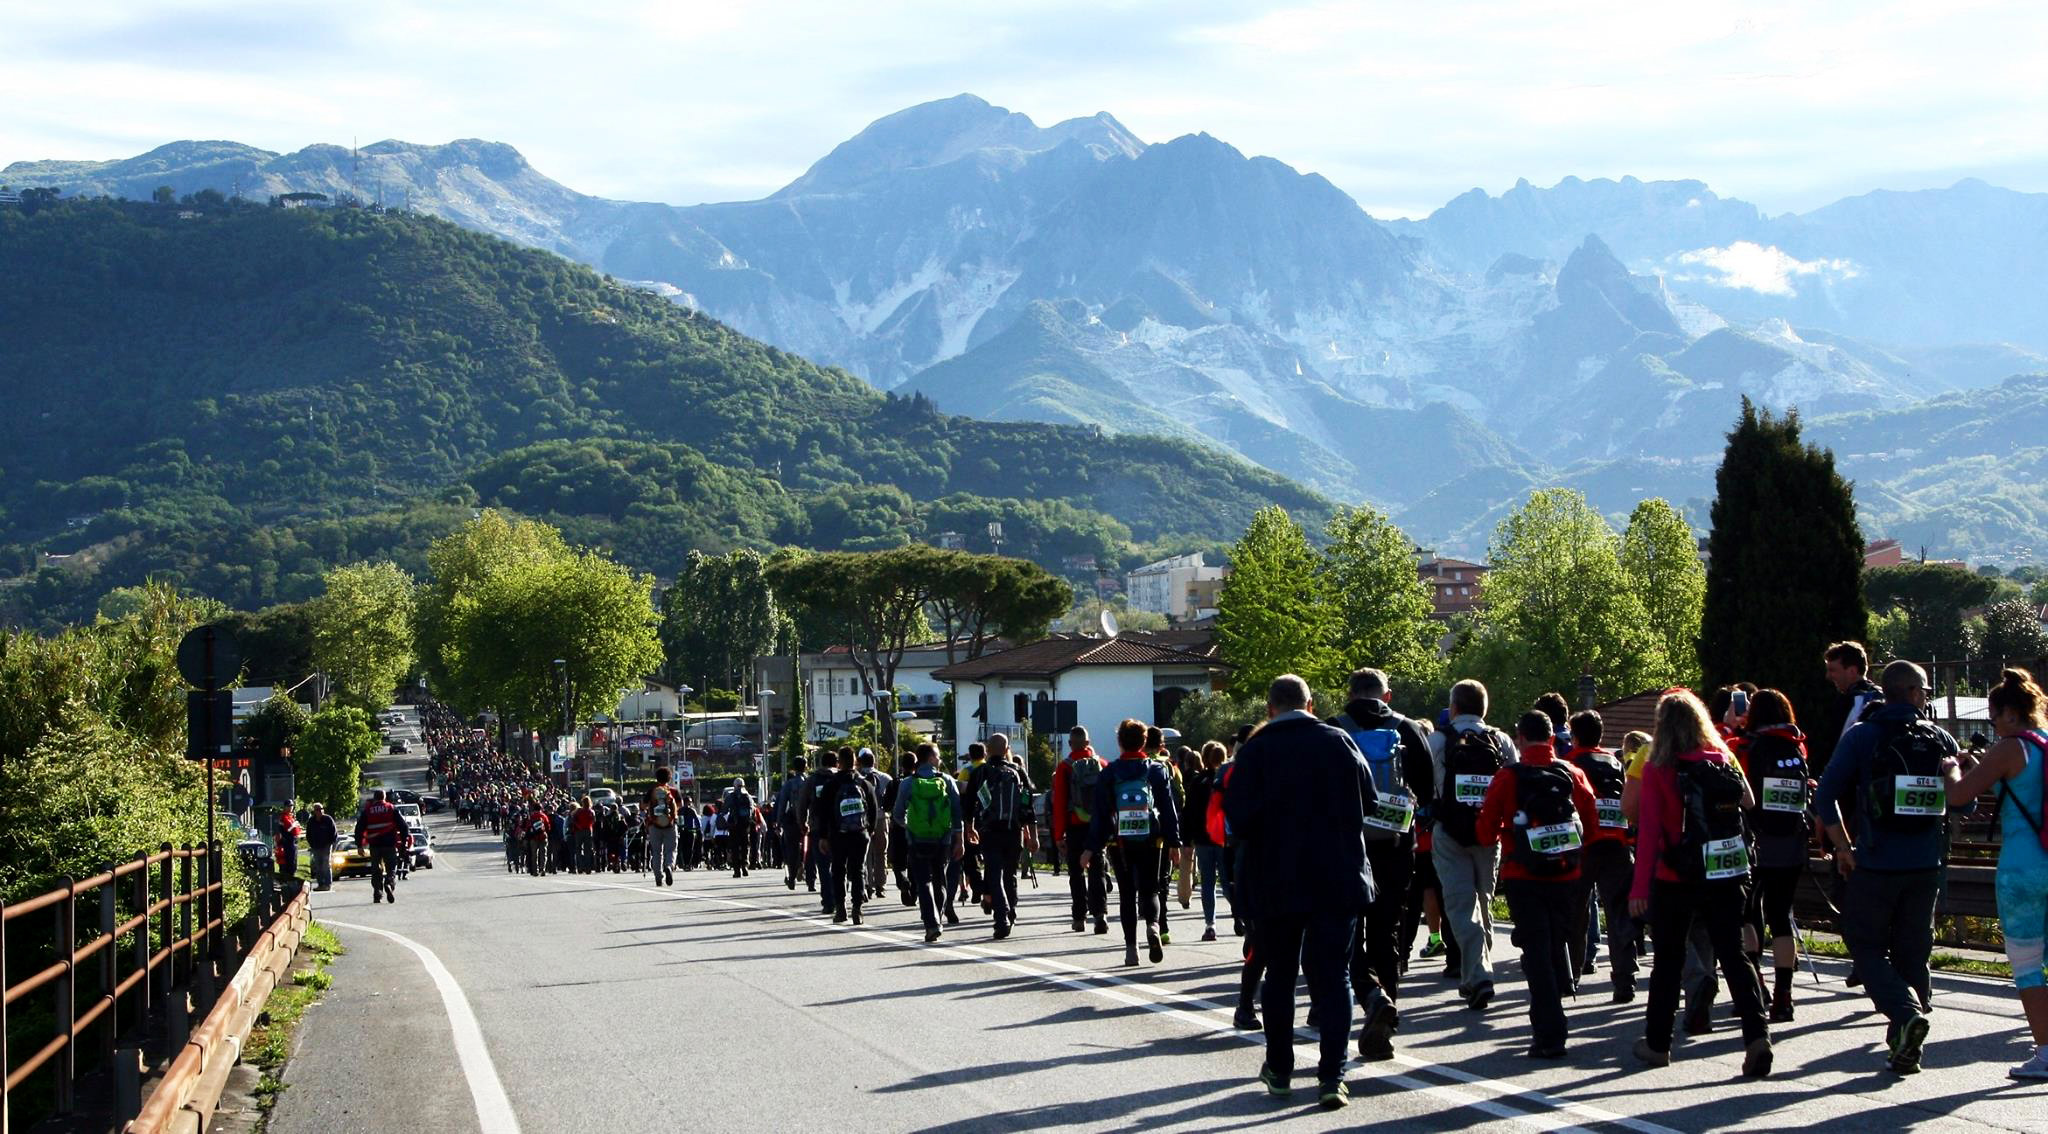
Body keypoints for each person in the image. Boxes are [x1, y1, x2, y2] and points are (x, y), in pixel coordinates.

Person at [1223, 675, 1375, 1110]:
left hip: (1276, 878)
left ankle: (1280, 1069)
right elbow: (1368, 799)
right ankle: (1332, 1076)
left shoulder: (1254, 750)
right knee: (1334, 976)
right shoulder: (1339, 741)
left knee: (1281, 976)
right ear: (1310, 704)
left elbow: (1239, 820)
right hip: (1337, 875)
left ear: (1270, 708)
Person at [1817, 659, 1963, 1075]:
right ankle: (1907, 1042)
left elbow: (1824, 796)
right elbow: (1964, 803)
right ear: (1915, 693)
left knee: (1863, 944)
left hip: (1877, 861)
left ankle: (1904, 1015)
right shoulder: (1941, 740)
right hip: (1927, 862)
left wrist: (1844, 848)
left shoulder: (1863, 736)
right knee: (1913, 949)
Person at [1630, 690, 1773, 1078]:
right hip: (1725, 873)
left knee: (1669, 962)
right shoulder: (1722, 757)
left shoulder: (1660, 767)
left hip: (1676, 874)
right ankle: (1757, 1037)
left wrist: (1639, 889)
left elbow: (1649, 833)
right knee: (1734, 955)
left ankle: (1658, 1043)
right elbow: (1748, 802)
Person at [1476, 711, 1600, 1059]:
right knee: (1556, 941)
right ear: (1551, 738)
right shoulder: (1572, 773)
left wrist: (1506, 834)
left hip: (1523, 876)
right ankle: (1562, 990)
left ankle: (1549, 1033)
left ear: (1519, 737)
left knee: (1536, 953)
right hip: (1566, 876)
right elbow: (1589, 826)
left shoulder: (1507, 777)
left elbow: (1485, 831)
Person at [1328, 666, 1435, 1060]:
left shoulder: (1334, 730)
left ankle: (1371, 996)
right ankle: (1386, 1015)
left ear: (1349, 694)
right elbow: (1427, 792)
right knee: (1387, 930)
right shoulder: (1409, 729)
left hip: (1347, 847)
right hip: (1394, 846)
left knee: (1348, 932)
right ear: (1386, 696)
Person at [1946, 668, 2048, 1080]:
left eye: (1992, 716)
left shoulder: (2008, 748)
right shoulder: (2043, 744)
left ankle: (2044, 1054)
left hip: (2022, 868)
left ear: (2008, 714)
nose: (1991, 724)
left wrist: (1952, 767)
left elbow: (1958, 796)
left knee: (2027, 964)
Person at [1430, 678, 1518, 1011]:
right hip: (1489, 831)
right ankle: (1477, 972)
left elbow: (1424, 784)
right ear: (1485, 708)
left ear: (1452, 708)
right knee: (1483, 902)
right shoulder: (1502, 740)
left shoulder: (1438, 740)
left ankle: (1480, 976)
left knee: (1461, 907)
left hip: (1449, 830)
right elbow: (1514, 780)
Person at [1084, 719, 1183, 968]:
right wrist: (1174, 842)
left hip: (1121, 843)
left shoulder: (1109, 773)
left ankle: (1131, 951)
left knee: (1127, 894)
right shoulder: (1156, 770)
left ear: (1120, 742)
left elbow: (1101, 813)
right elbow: (1168, 809)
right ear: (1144, 741)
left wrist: (1091, 847)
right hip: (1153, 840)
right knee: (1150, 889)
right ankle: (1152, 925)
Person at [1743, 690, 1812, 1021]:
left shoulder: (1750, 747)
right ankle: (1784, 996)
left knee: (1747, 914)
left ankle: (1756, 984)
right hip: (1793, 842)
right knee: (1781, 915)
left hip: (1758, 843)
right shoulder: (1796, 746)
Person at [1564, 710, 1637, 1001]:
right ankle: (1625, 979)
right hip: (1617, 844)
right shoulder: (1615, 763)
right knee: (1619, 911)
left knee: (1576, 912)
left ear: (1575, 735)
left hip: (1584, 846)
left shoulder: (1569, 763)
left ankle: (1573, 974)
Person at [895, 743, 966, 942]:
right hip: (943, 839)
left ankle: (931, 923)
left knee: (923, 881)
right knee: (939, 880)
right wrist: (959, 839)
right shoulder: (948, 780)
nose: (940, 759)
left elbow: (897, 814)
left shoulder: (908, 783)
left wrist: (911, 827)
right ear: (932, 758)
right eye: (938, 756)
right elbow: (957, 813)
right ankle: (939, 919)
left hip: (917, 840)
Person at [966, 733, 1033, 939]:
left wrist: (969, 827)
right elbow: (1027, 803)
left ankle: (1001, 917)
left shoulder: (980, 772)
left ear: (987, 749)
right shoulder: (1018, 771)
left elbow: (968, 803)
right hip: (1013, 831)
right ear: (1007, 749)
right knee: (1010, 874)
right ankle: (1011, 911)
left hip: (990, 830)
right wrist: (1031, 834)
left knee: (994, 875)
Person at [1052, 726, 1109, 935]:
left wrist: (1058, 836)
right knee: (1098, 869)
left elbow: (1059, 804)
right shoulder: (1102, 764)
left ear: (1070, 744)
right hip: (1097, 826)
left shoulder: (1064, 768)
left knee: (1076, 873)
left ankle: (1079, 917)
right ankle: (1100, 914)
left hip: (1075, 826)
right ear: (1088, 742)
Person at [822, 747, 880, 924]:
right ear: (855, 762)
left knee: (838, 870)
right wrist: (869, 830)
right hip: (860, 833)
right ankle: (857, 908)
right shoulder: (864, 784)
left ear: (838, 763)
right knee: (858, 870)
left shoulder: (831, 785)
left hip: (838, 835)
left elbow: (822, 812)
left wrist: (824, 836)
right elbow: (873, 809)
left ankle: (841, 909)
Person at [1185, 741, 1230, 942]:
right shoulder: (1229, 780)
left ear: (1204, 759)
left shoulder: (1198, 782)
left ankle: (1210, 924)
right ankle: (1240, 915)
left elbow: (1190, 813)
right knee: (1229, 882)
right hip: (1226, 839)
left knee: (1208, 883)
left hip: (1203, 838)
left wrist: (1187, 840)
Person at [356, 790, 408, 903]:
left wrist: (359, 845)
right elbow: (403, 827)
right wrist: (404, 843)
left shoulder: (368, 811)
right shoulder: (391, 808)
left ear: (374, 798)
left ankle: (377, 893)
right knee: (391, 869)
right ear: (384, 797)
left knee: (376, 870)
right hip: (389, 845)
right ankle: (389, 883)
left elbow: (359, 828)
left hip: (374, 846)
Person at [858, 748, 894, 902]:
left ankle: (868, 884)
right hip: (881, 818)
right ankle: (881, 885)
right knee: (881, 853)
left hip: (862, 819)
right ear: (874, 761)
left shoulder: (857, 778)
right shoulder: (885, 778)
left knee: (865, 854)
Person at [776, 757, 812, 891]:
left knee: (792, 848)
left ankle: (791, 877)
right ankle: (810, 878)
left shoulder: (789, 784)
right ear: (806, 766)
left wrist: (779, 822)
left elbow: (782, 803)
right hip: (809, 818)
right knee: (809, 849)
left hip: (791, 819)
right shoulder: (810, 782)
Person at [644, 767, 684, 887]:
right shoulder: (673, 791)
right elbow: (680, 804)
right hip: (670, 824)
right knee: (671, 849)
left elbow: (644, 805)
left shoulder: (652, 791)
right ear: (669, 777)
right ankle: (669, 866)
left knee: (656, 852)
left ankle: (658, 877)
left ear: (656, 777)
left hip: (654, 825)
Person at [304, 803, 338, 891]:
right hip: (316, 847)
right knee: (318, 866)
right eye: (317, 810)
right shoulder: (311, 821)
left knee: (325, 865)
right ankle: (321, 884)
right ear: (314, 811)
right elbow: (308, 835)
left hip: (326, 846)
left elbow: (334, 833)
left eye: (321, 809)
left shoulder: (328, 819)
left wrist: (331, 843)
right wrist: (312, 844)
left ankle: (327, 884)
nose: (320, 811)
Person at [274, 807, 305, 880]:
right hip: (287, 842)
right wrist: (294, 825)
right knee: (287, 862)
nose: (290, 808)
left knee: (292, 861)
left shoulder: (290, 817)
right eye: (288, 806)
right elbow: (287, 830)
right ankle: (286, 878)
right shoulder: (284, 818)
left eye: (291, 806)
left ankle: (290, 876)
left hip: (292, 841)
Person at [570, 795, 598, 873]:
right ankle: (588, 868)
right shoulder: (591, 811)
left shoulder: (579, 811)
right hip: (588, 831)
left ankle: (580, 867)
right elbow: (593, 821)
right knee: (587, 850)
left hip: (579, 831)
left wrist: (578, 826)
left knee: (578, 849)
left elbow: (573, 818)